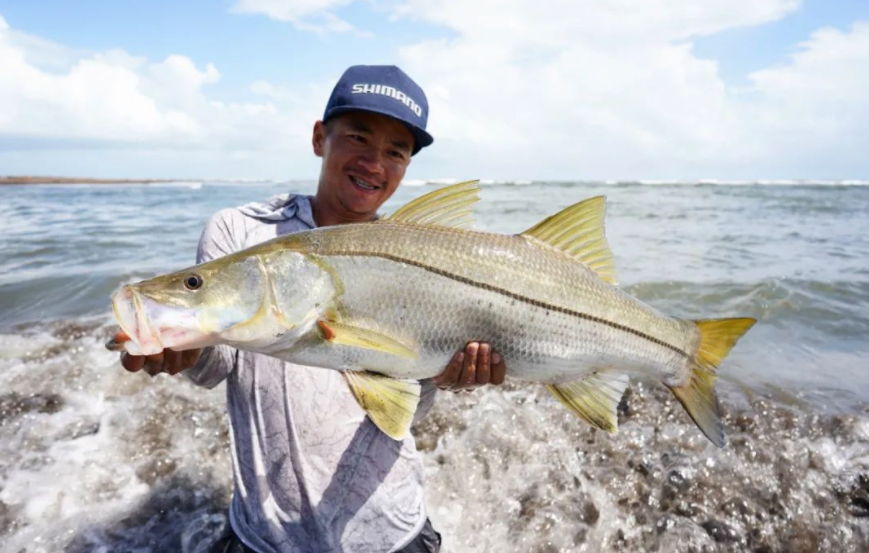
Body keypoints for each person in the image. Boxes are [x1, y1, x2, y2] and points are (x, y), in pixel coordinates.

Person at [120, 65, 507, 553]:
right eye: (358, 138)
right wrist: (185, 352)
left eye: (395, 151)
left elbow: (406, 406)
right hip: (265, 535)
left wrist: (447, 376)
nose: (374, 163)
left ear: (408, 165)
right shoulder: (241, 232)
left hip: (391, 531)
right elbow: (218, 365)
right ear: (320, 137)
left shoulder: (424, 258)